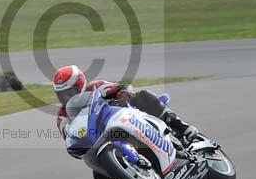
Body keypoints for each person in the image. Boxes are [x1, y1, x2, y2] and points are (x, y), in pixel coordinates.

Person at [53, 65, 200, 161]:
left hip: (124, 117)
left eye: (69, 92)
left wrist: (123, 93)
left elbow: (121, 87)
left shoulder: (95, 87)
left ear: (80, 85)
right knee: (101, 177)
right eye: (62, 94)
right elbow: (69, 138)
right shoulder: (62, 116)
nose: (66, 97)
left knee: (141, 96)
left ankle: (180, 126)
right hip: (100, 141)